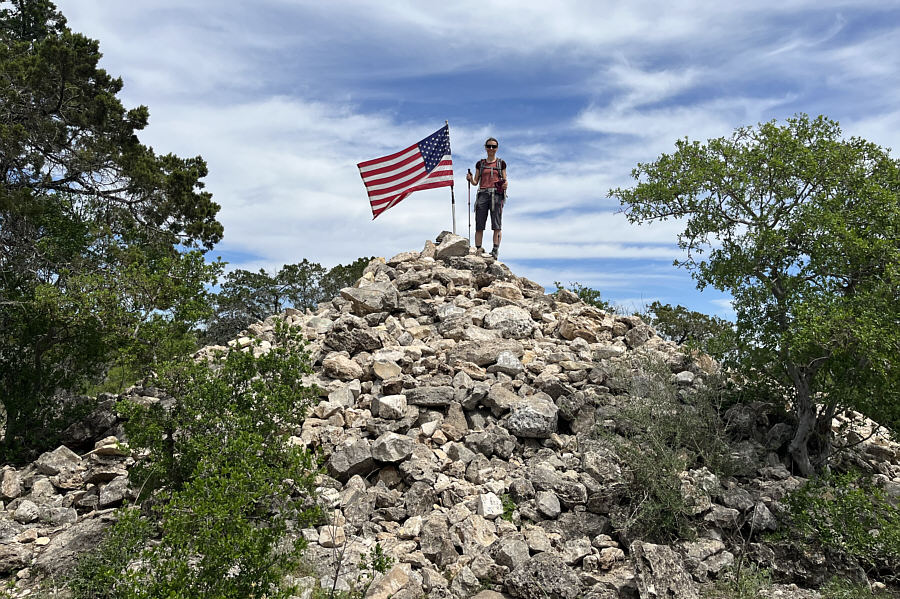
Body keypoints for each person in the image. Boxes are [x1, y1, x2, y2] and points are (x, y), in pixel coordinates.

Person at [466, 137, 507, 259]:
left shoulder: (501, 164)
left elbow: (505, 180)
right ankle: (478, 249)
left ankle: (495, 250)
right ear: (485, 147)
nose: (491, 148)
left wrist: (504, 184)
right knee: (479, 223)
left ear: (497, 148)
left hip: (497, 195)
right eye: (489, 146)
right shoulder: (480, 164)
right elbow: (475, 182)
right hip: (483, 193)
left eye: (493, 146)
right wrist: (470, 179)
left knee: (497, 224)